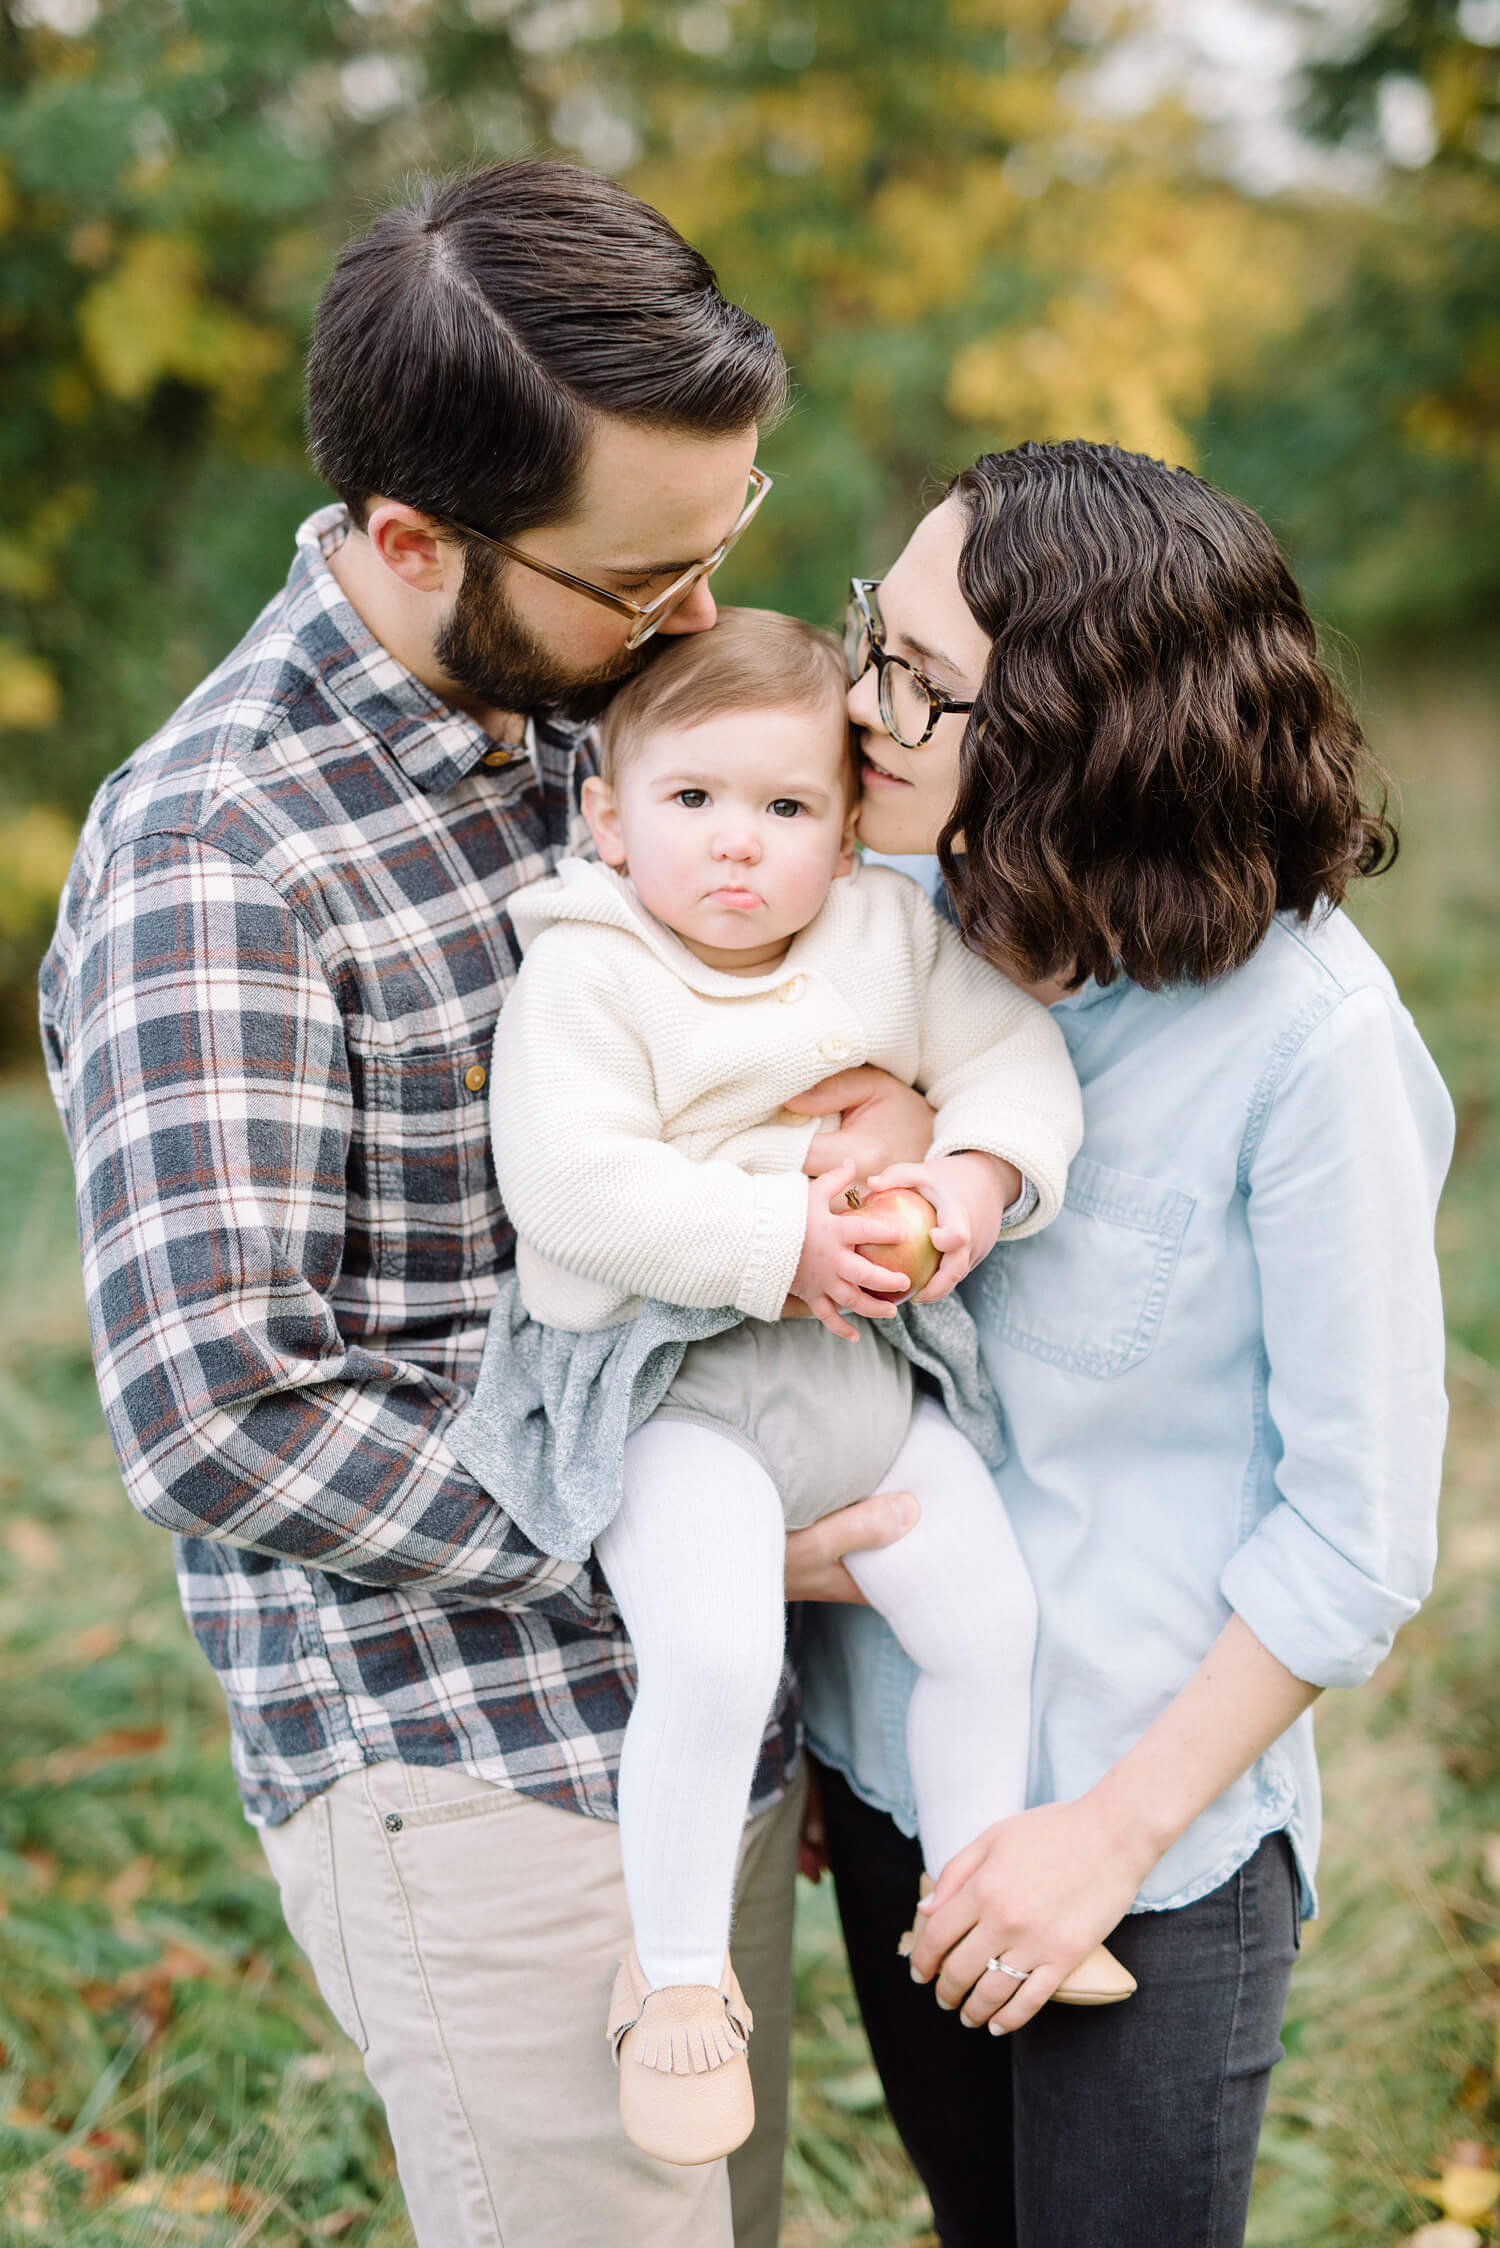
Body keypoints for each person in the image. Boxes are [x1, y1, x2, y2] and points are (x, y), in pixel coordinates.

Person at [36, 160, 923, 2248]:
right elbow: (217, 1404)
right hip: (474, 1763)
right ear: (413, 539)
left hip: (700, 1705)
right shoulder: (219, 856)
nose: (700, 626)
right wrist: (693, 1530)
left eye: (731, 543)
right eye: (643, 584)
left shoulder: (588, 716)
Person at [797, 438, 1455, 2248]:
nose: (859, 706)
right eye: (879, 639)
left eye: (919, 683)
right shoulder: (885, 931)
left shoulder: (1309, 1043)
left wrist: (1103, 1845)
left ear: (1081, 747)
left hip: (1143, 1847)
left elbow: (1357, 1536)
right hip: (884, 1782)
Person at [449, 605, 1134, 2165]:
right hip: (670, 1382)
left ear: (846, 831)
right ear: (609, 819)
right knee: (712, 1648)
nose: (739, 848)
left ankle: (976, 1881)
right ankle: (678, 1978)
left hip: (858, 1374)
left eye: (787, 808)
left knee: (988, 1619)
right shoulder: (589, 969)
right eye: (693, 803)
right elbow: (574, 1184)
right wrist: (781, 1235)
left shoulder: (886, 939)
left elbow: (1018, 1064)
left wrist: (969, 1179)